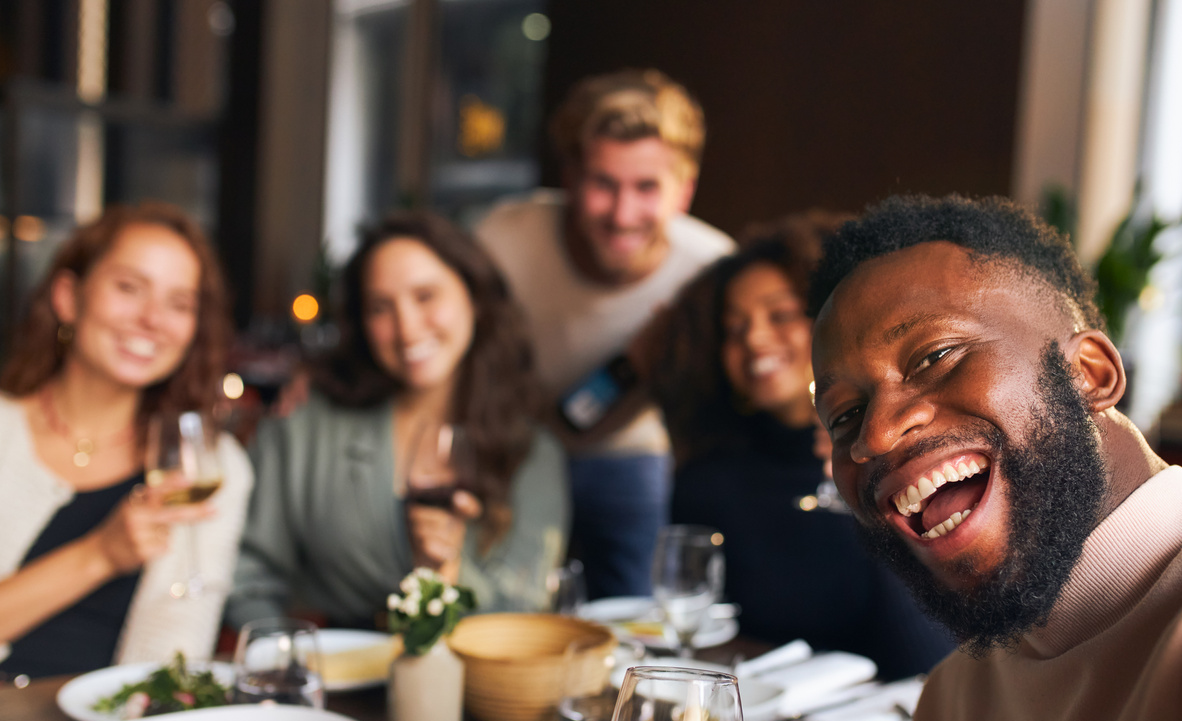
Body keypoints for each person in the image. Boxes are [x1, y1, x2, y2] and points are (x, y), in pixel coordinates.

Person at [808, 194, 1182, 721]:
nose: (876, 436)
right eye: (843, 416)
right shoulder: (958, 695)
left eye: (933, 356)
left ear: (1089, 372)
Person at [645, 212, 951, 679]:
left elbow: (928, 664)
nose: (754, 338)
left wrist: (873, 498)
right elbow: (694, 650)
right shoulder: (707, 480)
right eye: (734, 328)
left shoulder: (914, 462)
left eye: (780, 315)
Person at [226, 212, 569, 628]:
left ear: (475, 298)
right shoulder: (302, 426)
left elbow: (527, 609)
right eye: (379, 307)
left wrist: (448, 573)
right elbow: (247, 577)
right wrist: (285, 660)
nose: (406, 329)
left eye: (425, 296)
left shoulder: (532, 452)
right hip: (327, 678)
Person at [475, 68, 735, 600]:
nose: (622, 215)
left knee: (633, 609)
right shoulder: (504, 237)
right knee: (497, 606)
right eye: (602, 184)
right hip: (508, 441)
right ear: (569, 178)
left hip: (627, 454)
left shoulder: (710, 272)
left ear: (684, 190)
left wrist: (641, 369)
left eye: (646, 187)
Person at [0, 202, 252, 678]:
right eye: (129, 288)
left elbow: (177, 661)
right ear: (68, 297)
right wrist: (101, 554)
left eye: (179, 304)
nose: (152, 320)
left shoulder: (213, 466)